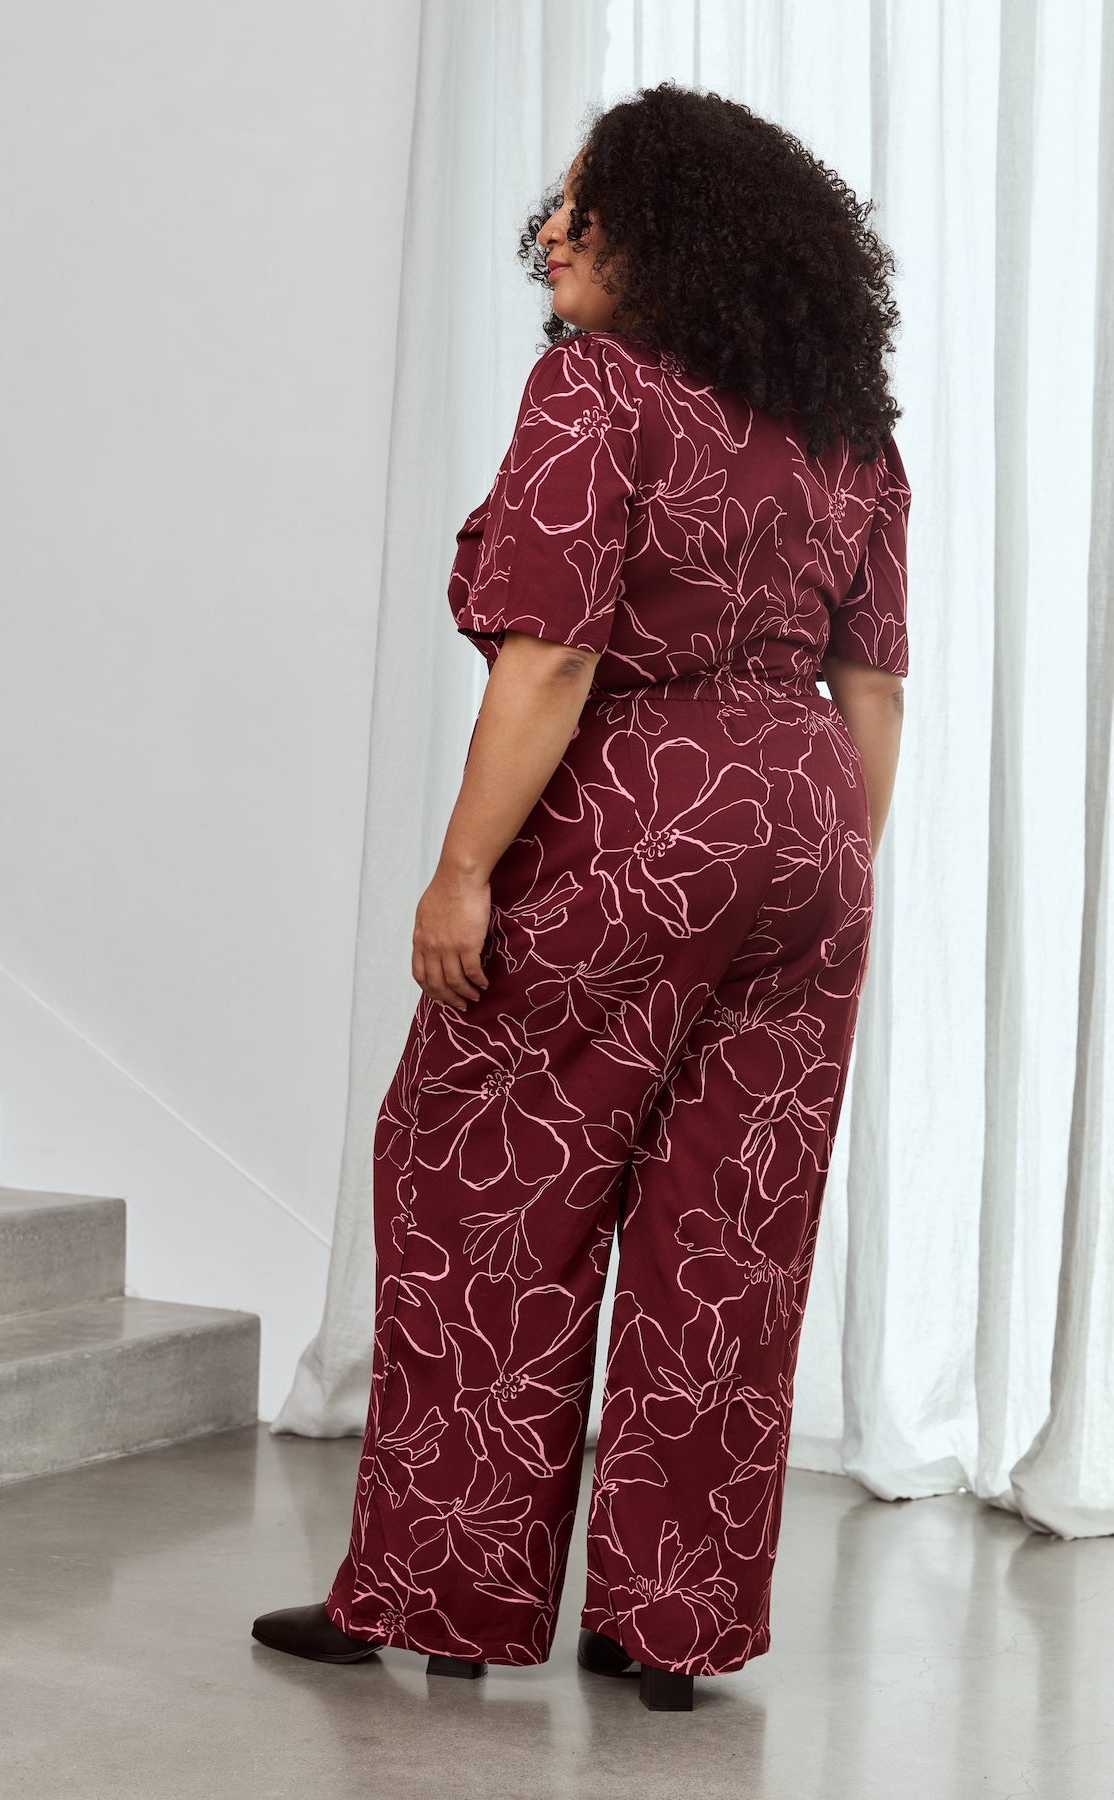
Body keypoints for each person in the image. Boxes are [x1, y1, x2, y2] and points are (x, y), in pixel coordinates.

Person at [252, 80, 909, 1713]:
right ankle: (667, 1625)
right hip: (811, 823)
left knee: (480, 1185)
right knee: (729, 1227)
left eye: (582, 207)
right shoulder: (848, 427)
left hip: (633, 818)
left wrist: (463, 871)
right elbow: (874, 686)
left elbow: (551, 659)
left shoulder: (600, 390)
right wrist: (822, 872)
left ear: (666, 234)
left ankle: (443, 1596)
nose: (549, 230)